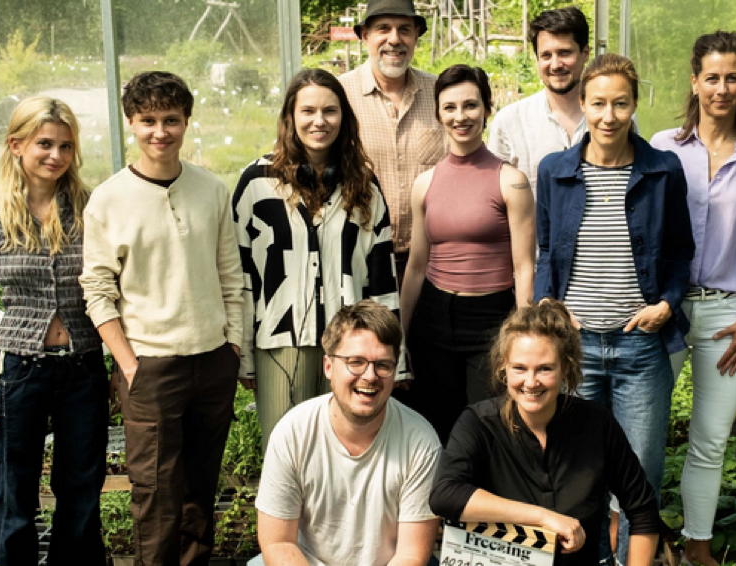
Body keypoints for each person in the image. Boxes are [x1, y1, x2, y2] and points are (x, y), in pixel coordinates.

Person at [534, 53, 694, 562]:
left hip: (640, 346)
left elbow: (680, 251)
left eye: (620, 104)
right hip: (576, 348)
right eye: (599, 103)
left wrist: (666, 303)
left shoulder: (662, 169)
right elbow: (546, 249)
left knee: (639, 472)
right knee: (577, 469)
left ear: (634, 105)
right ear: (582, 104)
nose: (609, 116)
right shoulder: (555, 170)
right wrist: (548, 304)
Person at [80, 71, 244, 564]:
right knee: (155, 494)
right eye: (148, 120)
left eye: (171, 120)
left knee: (200, 490)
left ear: (186, 121)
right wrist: (129, 365)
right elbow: (97, 290)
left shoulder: (211, 189)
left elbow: (231, 274)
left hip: (212, 361)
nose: (160, 132)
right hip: (150, 366)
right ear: (131, 123)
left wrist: (233, 347)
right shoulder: (109, 199)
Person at [649, 31, 736, 566]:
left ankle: (698, 547)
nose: (722, 88)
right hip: (666, 310)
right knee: (642, 432)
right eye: (712, 77)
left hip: (728, 315)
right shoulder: (662, 147)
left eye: (732, 77)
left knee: (710, 439)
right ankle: (635, 539)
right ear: (694, 81)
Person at [0, 96, 108, 565]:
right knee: (12, 490)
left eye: (65, 146)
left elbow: (113, 286)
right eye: (44, 144)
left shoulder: (91, 207)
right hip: (17, 371)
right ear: (16, 145)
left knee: (81, 487)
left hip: (83, 368)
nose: (56, 155)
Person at [232, 68, 403, 450]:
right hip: (280, 342)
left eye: (330, 110)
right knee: (284, 450)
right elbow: (242, 277)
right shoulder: (257, 182)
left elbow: (382, 278)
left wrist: (395, 355)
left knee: (344, 449)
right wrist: (243, 353)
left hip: (351, 346)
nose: (319, 121)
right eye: (308, 111)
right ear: (290, 117)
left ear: (344, 116)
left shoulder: (364, 185)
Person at [429, 299, 661, 565]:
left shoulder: (597, 424)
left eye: (545, 369)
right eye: (519, 368)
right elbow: (445, 495)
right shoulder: (479, 423)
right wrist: (543, 517)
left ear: (566, 368)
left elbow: (643, 509)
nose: (531, 382)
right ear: (503, 368)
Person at [400, 64, 535, 443]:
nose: (460, 116)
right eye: (450, 107)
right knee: (433, 427)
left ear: (487, 109)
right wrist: (402, 336)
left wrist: (522, 336)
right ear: (438, 114)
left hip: (491, 320)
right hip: (433, 320)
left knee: (489, 429)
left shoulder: (511, 181)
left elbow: (524, 267)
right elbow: (416, 267)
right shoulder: (425, 183)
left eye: (470, 105)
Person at [256, 300, 442, 566]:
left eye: (383, 365)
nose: (370, 376)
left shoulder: (421, 441)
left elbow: (411, 554)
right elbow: (278, 542)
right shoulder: (293, 432)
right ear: (328, 366)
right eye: (356, 362)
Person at [339, 0, 445, 279]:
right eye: (383, 28)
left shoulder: (439, 94)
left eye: (404, 29)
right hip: (360, 255)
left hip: (430, 258)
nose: (394, 39)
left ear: (416, 36)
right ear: (365, 36)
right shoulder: (340, 95)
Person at [487, 6, 590, 192]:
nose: (555, 65)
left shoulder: (612, 118)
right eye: (546, 55)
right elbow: (494, 192)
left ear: (585, 54)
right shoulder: (510, 122)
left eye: (565, 53)